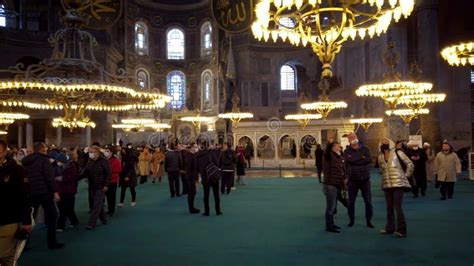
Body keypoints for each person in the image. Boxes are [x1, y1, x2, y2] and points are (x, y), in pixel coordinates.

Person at [22, 142, 63, 249]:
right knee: (52, 216)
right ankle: (52, 243)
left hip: (31, 192)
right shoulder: (44, 159)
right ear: (43, 149)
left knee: (29, 219)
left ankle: (24, 245)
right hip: (44, 193)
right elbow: (49, 177)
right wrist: (55, 191)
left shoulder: (26, 161)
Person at [0, 140, 32, 265]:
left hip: (8, 220)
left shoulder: (16, 170)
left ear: (4, 152)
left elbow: (24, 197)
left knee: (5, 255)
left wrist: (26, 221)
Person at [378, 138, 414, 238]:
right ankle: (390, 228)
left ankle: (402, 230)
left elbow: (410, 164)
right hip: (386, 184)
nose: (384, 143)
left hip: (398, 183)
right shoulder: (380, 156)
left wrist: (406, 176)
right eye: (382, 142)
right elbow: (382, 169)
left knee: (397, 207)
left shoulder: (398, 152)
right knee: (389, 208)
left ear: (390, 143)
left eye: (386, 141)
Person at [343, 133, 374, 228]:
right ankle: (351, 220)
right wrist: (361, 157)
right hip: (353, 180)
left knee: (368, 201)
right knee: (351, 202)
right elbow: (350, 161)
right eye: (351, 137)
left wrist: (355, 159)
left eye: (354, 137)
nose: (353, 138)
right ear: (348, 140)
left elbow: (369, 160)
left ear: (357, 137)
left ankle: (369, 221)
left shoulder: (365, 149)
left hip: (365, 179)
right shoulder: (346, 151)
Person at [79, 146, 111, 230]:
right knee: (96, 204)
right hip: (92, 186)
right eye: (90, 152)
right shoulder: (90, 161)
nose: (91, 153)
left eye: (92, 152)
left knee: (96, 205)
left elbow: (108, 174)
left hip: (101, 186)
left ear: (97, 153)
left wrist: (106, 185)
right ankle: (103, 219)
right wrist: (76, 177)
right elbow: (85, 172)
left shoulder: (104, 161)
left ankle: (91, 223)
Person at [322, 141, 347, 233]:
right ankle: (329, 226)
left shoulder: (338, 156)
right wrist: (328, 183)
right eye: (338, 146)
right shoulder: (329, 156)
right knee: (331, 207)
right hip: (331, 184)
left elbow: (341, 169)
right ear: (333, 147)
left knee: (333, 206)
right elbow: (328, 171)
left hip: (337, 184)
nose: (340, 147)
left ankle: (331, 224)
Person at [196, 141, 222, 216]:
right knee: (216, 194)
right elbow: (217, 163)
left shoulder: (198, 155)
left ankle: (207, 212)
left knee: (206, 195)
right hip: (213, 176)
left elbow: (197, 167)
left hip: (204, 176)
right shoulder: (211, 153)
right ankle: (218, 211)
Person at [55, 153, 79, 232]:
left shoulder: (71, 167)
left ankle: (64, 225)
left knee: (68, 209)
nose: (57, 162)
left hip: (69, 191)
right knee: (63, 209)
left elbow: (73, 178)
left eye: (59, 161)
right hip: (60, 191)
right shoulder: (57, 168)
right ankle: (69, 223)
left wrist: (62, 178)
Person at [104, 147, 121, 216]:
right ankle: (109, 208)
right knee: (107, 196)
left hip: (113, 180)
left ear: (111, 152)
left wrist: (110, 169)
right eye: (105, 151)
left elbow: (119, 169)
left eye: (107, 151)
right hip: (106, 180)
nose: (106, 152)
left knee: (112, 196)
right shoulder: (104, 159)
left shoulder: (115, 160)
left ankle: (112, 210)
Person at [183, 143, 200, 214]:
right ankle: (191, 208)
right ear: (192, 148)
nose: (197, 148)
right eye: (195, 147)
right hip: (190, 177)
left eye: (197, 147)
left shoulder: (192, 155)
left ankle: (192, 207)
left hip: (193, 176)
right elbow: (191, 166)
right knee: (191, 193)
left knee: (193, 192)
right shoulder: (188, 156)